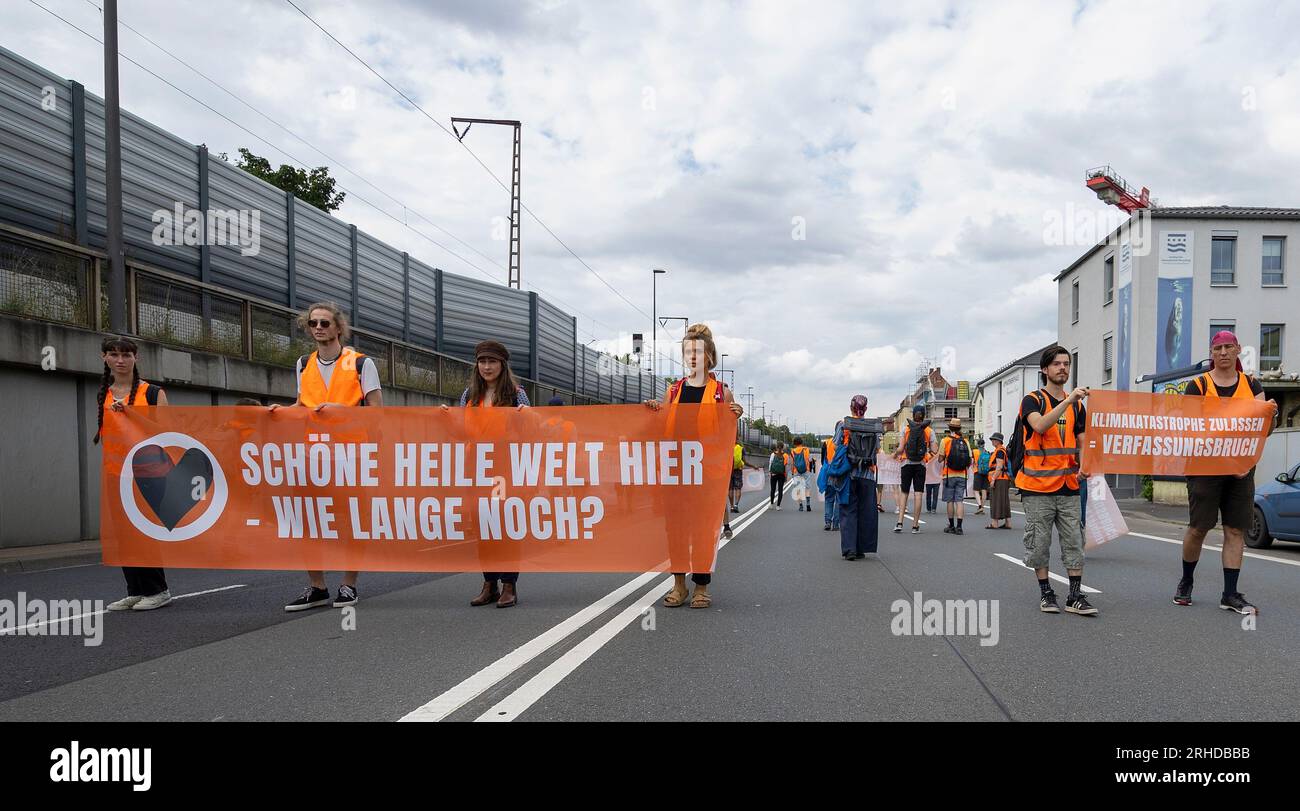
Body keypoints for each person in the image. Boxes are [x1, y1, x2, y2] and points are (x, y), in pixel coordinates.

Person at [276, 303, 383, 612]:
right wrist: (276, 411)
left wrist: (344, 412)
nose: (318, 327)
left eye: (325, 322)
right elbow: (301, 405)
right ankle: (317, 587)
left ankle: (348, 585)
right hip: (312, 454)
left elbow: (377, 411)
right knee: (309, 519)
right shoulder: (303, 364)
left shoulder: (361, 364)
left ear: (338, 328)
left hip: (350, 454)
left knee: (350, 522)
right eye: (313, 323)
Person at [1175, 331, 1277, 614]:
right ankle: (1186, 581)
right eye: (1218, 348)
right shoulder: (1197, 386)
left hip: (1241, 470)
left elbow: (1261, 431)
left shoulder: (1252, 385)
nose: (1223, 352)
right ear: (1211, 352)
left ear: (1238, 350)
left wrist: (1272, 415)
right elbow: (1189, 429)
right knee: (1199, 528)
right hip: (1204, 469)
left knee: (1235, 530)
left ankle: (1230, 594)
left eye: (1228, 347)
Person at [643, 324, 743, 609]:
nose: (693, 357)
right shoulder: (673, 390)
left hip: (707, 475)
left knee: (702, 530)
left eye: (698, 351)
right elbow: (661, 427)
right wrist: (653, 411)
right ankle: (678, 585)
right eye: (688, 352)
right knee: (675, 530)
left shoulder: (721, 392)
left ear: (710, 355)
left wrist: (737, 414)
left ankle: (701, 587)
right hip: (677, 472)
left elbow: (727, 434)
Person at [438, 340, 531, 608]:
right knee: (482, 524)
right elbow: (461, 433)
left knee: (504, 524)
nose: (487, 367)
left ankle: (509, 584)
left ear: (503, 365)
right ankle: (488, 582)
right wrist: (448, 419)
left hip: (505, 466)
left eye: (492, 362)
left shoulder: (516, 394)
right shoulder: (469, 395)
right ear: (477, 365)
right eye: (483, 362)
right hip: (476, 467)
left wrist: (528, 416)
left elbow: (529, 431)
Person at [1016, 346, 1095, 616]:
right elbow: (1039, 426)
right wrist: (1068, 400)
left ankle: (1074, 595)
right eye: (1057, 364)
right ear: (1045, 370)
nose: (1063, 368)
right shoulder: (1032, 400)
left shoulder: (1078, 407)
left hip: (1069, 485)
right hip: (1037, 487)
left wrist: (1084, 465)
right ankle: (1046, 592)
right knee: (1039, 543)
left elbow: (1083, 441)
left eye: (1066, 364)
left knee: (1074, 540)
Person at [96, 336, 173, 612]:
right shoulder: (103, 392)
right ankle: (136, 590)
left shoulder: (152, 393)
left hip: (149, 472)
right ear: (104, 357)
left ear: (136, 358)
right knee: (124, 534)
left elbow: (166, 433)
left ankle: (158, 590)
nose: (120, 360)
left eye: (126, 355)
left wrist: (131, 416)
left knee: (144, 531)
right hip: (117, 473)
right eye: (114, 354)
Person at [829, 394, 879, 560]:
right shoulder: (873, 426)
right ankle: (861, 548)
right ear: (866, 409)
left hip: (849, 474)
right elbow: (877, 449)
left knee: (848, 510)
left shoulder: (844, 425)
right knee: (865, 511)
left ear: (851, 408)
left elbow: (836, 445)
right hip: (867, 475)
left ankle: (849, 549)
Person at [894, 404, 935, 534]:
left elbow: (900, 449)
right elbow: (934, 450)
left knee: (904, 493)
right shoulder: (929, 431)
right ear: (923, 415)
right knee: (918, 494)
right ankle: (915, 525)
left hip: (906, 463)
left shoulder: (906, 429)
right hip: (921, 465)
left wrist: (894, 455)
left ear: (913, 415)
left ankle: (900, 522)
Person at [939, 419, 971, 535]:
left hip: (949, 475)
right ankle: (959, 527)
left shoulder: (945, 441)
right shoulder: (965, 441)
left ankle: (951, 526)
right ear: (959, 429)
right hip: (962, 475)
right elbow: (970, 460)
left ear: (950, 428)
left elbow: (940, 459)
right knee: (959, 501)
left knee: (950, 501)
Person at [986, 433, 1012, 530]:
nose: (992, 441)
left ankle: (994, 523)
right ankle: (1008, 522)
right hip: (1004, 478)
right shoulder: (1001, 450)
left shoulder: (999, 452)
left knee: (995, 500)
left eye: (993, 439)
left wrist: (993, 479)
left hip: (999, 478)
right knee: (1004, 500)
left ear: (998, 441)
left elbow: (999, 466)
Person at [819, 435, 841, 531]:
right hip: (841, 473)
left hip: (829, 472)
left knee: (829, 498)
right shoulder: (843, 441)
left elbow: (823, 460)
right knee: (839, 499)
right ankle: (836, 524)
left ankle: (828, 522)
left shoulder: (827, 442)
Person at [789, 437, 813, 512]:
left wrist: (792, 472)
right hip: (806, 470)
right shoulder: (806, 449)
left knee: (798, 489)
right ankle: (808, 505)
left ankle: (800, 506)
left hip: (797, 471)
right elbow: (809, 459)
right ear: (801, 442)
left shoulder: (793, 451)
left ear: (794, 443)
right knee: (807, 487)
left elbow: (792, 463)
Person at [768, 442, 788, 510]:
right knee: (780, 490)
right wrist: (786, 476)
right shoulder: (785, 455)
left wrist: (770, 472)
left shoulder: (773, 454)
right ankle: (778, 506)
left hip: (773, 474)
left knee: (773, 489)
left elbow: (770, 463)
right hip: (781, 474)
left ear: (776, 447)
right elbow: (785, 466)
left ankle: (771, 504)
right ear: (783, 447)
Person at [972, 438, 989, 514]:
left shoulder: (974, 452)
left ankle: (979, 506)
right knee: (984, 490)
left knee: (976, 490)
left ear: (977, 444)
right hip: (986, 473)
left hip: (977, 472)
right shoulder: (987, 452)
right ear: (984, 444)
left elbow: (971, 462)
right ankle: (982, 507)